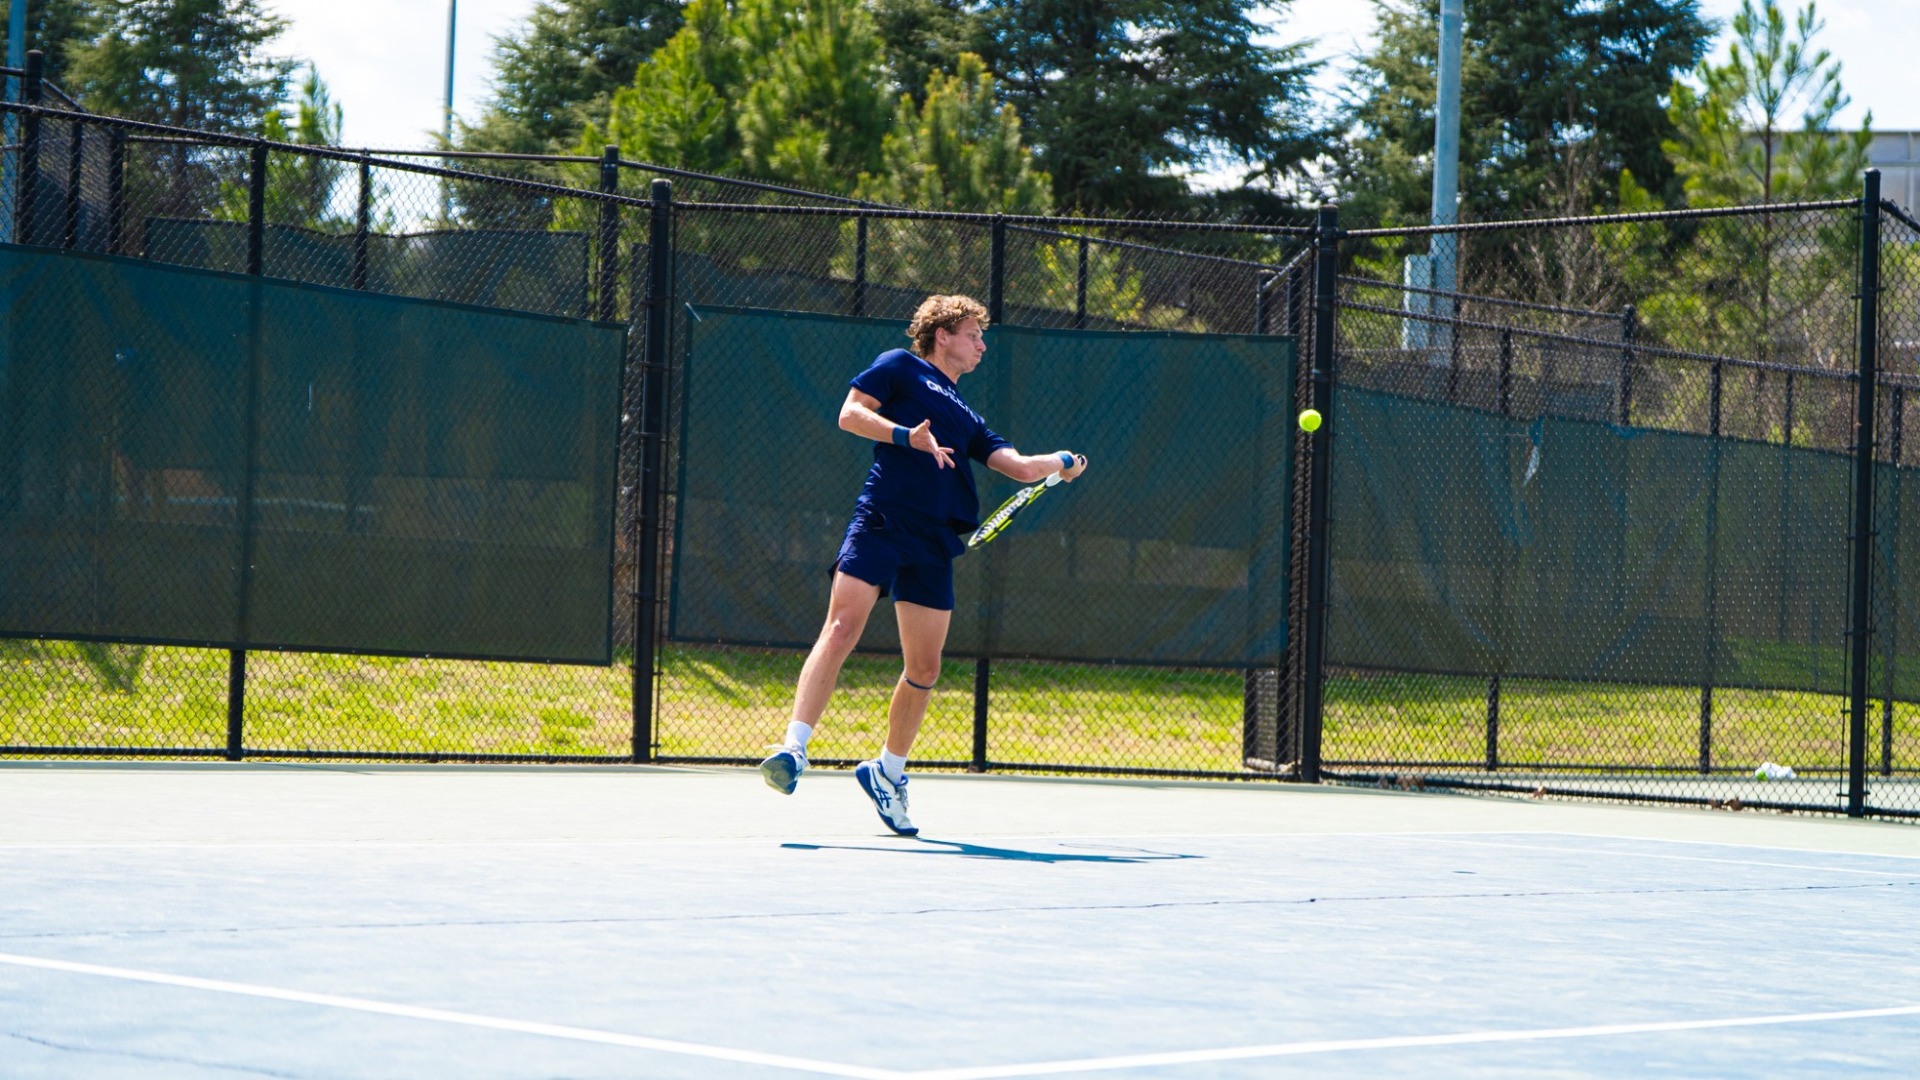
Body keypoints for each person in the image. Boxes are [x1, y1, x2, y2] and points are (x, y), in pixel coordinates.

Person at [757, 294, 1087, 835]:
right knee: (841, 627)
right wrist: (905, 436)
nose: (982, 346)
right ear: (943, 335)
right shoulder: (900, 366)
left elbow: (1022, 467)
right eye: (974, 335)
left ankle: (888, 773)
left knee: (925, 669)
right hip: (883, 519)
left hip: (934, 541)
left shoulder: (970, 417)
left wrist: (1064, 461)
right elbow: (850, 414)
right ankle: (793, 750)